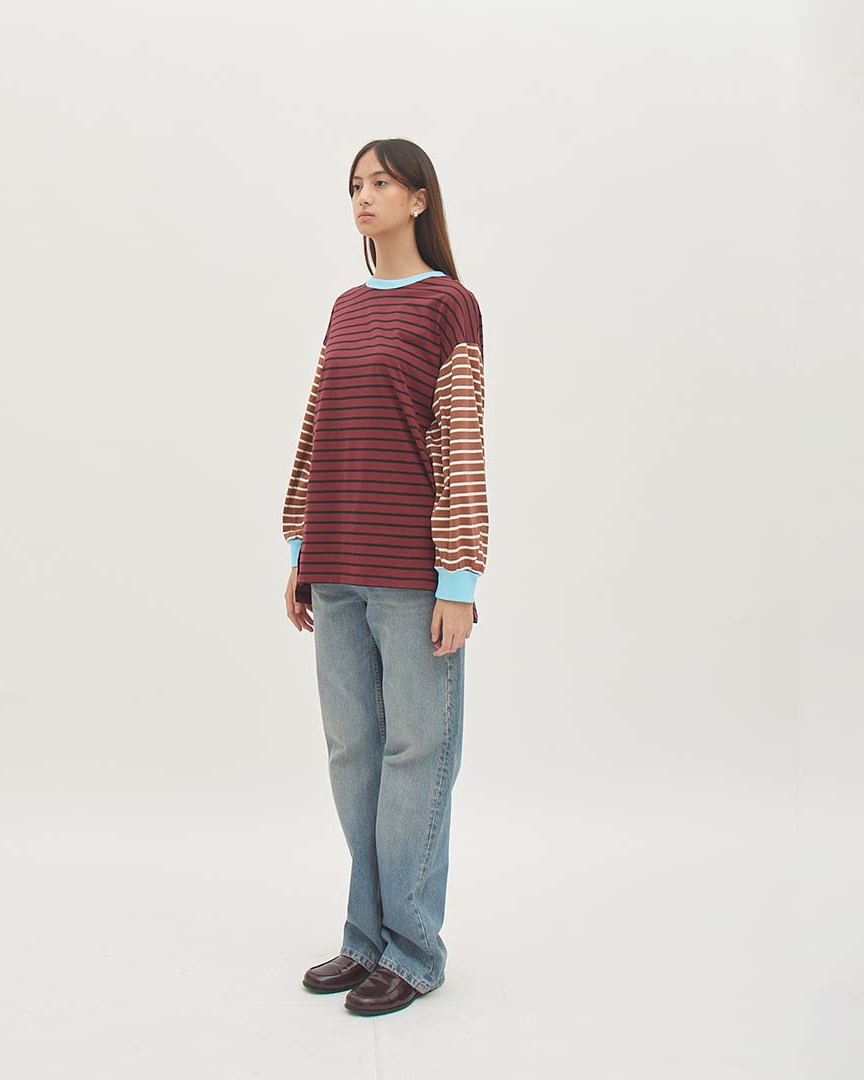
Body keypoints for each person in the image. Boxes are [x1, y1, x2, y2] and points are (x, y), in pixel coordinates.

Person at [281, 138, 489, 1017]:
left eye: (380, 182)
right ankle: (364, 939)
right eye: (354, 185)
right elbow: (318, 427)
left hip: (411, 573)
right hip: (336, 565)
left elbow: (460, 439)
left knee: (417, 755)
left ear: (418, 198)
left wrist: (459, 579)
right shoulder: (346, 308)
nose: (363, 196)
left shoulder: (450, 305)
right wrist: (300, 550)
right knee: (353, 754)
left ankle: (413, 948)